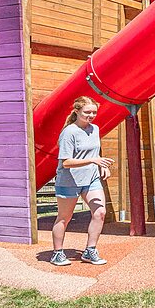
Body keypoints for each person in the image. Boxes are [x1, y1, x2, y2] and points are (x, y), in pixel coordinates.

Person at [51, 96, 113, 266]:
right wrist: (93, 161)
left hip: (91, 179)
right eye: (87, 112)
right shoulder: (69, 132)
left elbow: (94, 153)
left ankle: (90, 251)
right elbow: (66, 162)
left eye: (94, 112)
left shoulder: (95, 129)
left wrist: (102, 165)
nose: (91, 115)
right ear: (77, 111)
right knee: (65, 217)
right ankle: (57, 253)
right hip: (69, 180)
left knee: (100, 213)